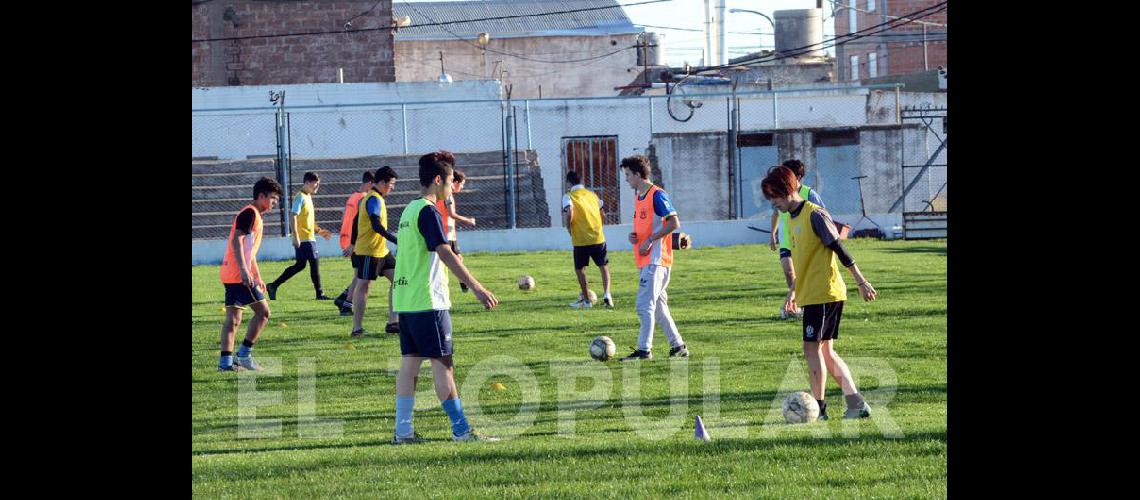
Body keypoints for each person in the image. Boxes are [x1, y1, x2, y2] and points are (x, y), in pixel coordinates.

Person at [390, 151, 500, 444]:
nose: (451, 188)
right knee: (443, 366)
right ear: (438, 180)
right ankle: (461, 430)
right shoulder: (428, 211)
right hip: (429, 301)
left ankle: (403, 431)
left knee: (409, 366)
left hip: (407, 301)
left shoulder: (408, 210)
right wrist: (476, 286)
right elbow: (444, 251)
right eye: (450, 182)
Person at [761, 165, 878, 420]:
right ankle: (856, 404)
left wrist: (861, 281)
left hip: (825, 292)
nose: (774, 204)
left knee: (811, 348)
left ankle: (818, 409)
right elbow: (804, 260)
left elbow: (839, 248)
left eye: (775, 197)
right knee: (825, 352)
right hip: (810, 293)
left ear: (788, 190)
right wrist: (793, 291)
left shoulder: (815, 215)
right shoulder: (790, 220)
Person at [617, 155, 689, 362]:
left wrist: (650, 239)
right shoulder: (640, 197)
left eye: (629, 175)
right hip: (647, 261)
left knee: (644, 306)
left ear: (639, 175)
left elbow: (674, 223)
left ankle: (644, 351)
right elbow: (649, 225)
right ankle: (678, 346)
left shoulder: (656, 194)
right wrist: (636, 237)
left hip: (656, 261)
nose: (627, 179)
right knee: (658, 308)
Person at [218, 177, 283, 372]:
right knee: (263, 313)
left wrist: (258, 275)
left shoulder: (254, 215)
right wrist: (246, 272)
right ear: (261, 196)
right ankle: (244, 356)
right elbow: (237, 242)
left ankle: (226, 364)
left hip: (231, 272)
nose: (275, 202)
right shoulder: (250, 213)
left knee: (234, 319)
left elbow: (249, 251)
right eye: (272, 198)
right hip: (239, 276)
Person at [350, 166, 401, 337]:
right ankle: (357, 328)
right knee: (363, 285)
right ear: (382, 182)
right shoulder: (373, 199)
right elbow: (376, 225)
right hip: (368, 251)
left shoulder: (373, 198)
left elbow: (356, 220)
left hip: (381, 251)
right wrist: (396, 240)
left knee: (399, 280)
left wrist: (351, 243)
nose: (392, 188)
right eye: (391, 184)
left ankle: (393, 322)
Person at [267, 171, 333, 300]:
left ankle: (273, 286)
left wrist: (319, 231)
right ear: (308, 182)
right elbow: (293, 215)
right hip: (304, 239)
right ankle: (320, 294)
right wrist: (295, 236)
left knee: (300, 265)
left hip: (308, 237)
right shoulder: (300, 197)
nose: (317, 187)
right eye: (316, 184)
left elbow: (308, 220)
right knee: (314, 263)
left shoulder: (307, 196)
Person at [561, 170, 612, 308]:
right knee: (603, 266)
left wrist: (568, 228)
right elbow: (603, 214)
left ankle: (587, 301)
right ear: (581, 181)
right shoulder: (593, 195)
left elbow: (570, 212)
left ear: (568, 183)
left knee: (580, 269)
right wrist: (598, 226)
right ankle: (607, 295)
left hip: (581, 239)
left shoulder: (568, 196)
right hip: (597, 237)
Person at [333, 171, 375, 316]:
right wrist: (353, 243)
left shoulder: (353, 196)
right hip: (355, 241)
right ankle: (347, 305)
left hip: (348, 238)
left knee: (362, 274)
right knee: (361, 275)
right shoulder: (363, 199)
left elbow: (345, 217)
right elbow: (358, 222)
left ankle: (343, 298)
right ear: (370, 184)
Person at [435, 170, 476, 293]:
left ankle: (464, 284)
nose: (462, 187)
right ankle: (462, 284)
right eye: (462, 184)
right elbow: (451, 214)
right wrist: (468, 220)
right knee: (449, 261)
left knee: (458, 259)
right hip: (445, 233)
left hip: (450, 234)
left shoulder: (446, 194)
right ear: (455, 182)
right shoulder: (447, 195)